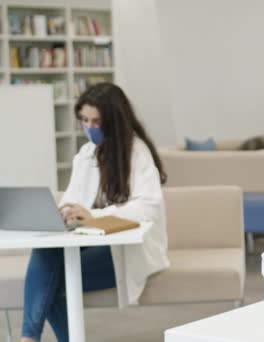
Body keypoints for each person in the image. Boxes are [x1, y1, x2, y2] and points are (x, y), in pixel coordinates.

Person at [21, 83, 170, 342]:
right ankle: (28, 339)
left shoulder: (137, 154)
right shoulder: (86, 154)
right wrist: (65, 213)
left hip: (123, 252)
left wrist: (94, 216)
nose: (90, 127)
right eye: (84, 120)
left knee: (53, 284)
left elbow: (148, 208)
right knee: (45, 252)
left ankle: (28, 338)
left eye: (97, 121)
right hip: (89, 243)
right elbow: (72, 199)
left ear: (114, 121)